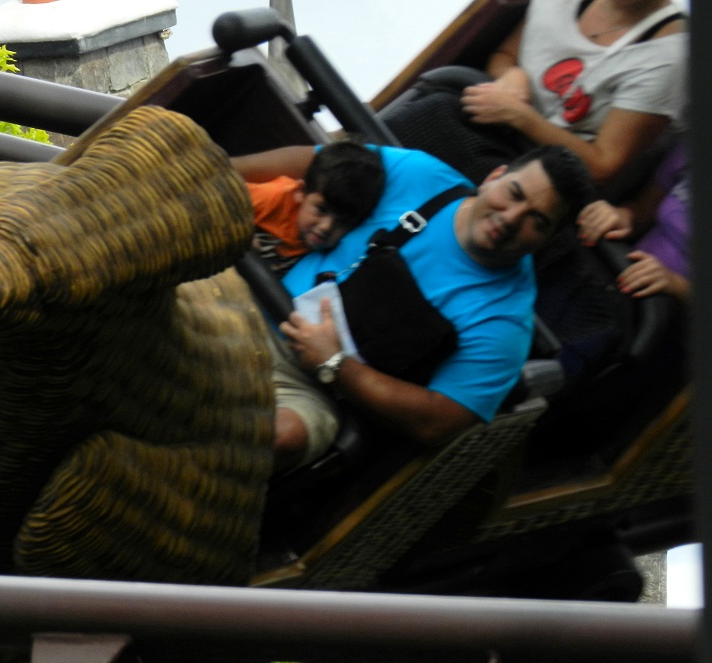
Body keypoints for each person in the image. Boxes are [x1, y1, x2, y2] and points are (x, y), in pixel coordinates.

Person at [233, 144, 595, 469]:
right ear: (495, 177)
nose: (511, 218)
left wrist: (337, 365)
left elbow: (438, 422)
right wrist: (223, 168)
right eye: (513, 193)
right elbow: (319, 162)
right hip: (253, 303)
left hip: (314, 388)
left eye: (537, 221)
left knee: (281, 436)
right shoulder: (419, 175)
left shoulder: (504, 322)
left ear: (548, 240)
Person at [459, 0, 688, 186]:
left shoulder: (669, 56)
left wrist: (520, 116)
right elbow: (504, 56)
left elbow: (602, 167)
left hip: (554, 181)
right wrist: (512, 74)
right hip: (494, 133)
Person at [247, 140, 385, 276]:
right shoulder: (273, 197)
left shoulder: (323, 254)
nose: (326, 227)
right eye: (321, 209)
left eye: (342, 222)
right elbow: (226, 202)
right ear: (301, 192)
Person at [576, 139, 690, 300]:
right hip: (623, 269)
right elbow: (645, 208)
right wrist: (621, 216)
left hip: (670, 308)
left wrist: (675, 283)